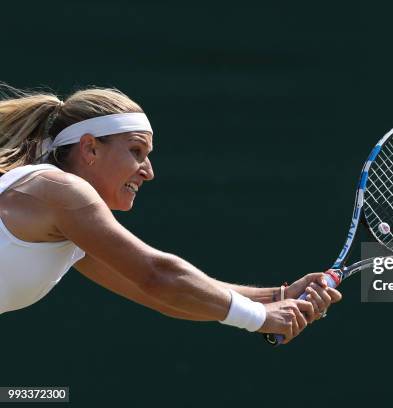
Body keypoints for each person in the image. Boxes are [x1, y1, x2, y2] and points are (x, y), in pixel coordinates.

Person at [0, 83, 341, 343]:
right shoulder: (60, 191)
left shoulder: (65, 219)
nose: (148, 171)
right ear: (90, 148)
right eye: (136, 151)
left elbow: (159, 293)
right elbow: (157, 275)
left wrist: (277, 297)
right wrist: (261, 317)